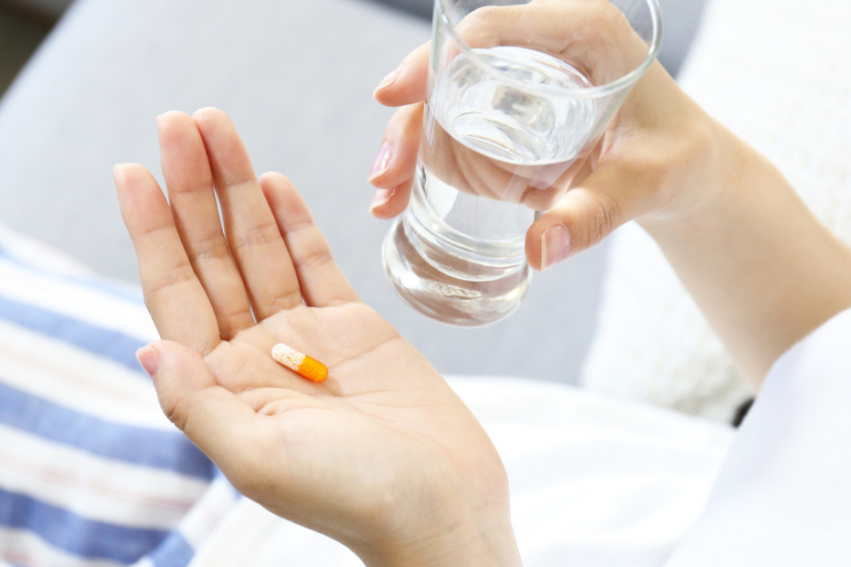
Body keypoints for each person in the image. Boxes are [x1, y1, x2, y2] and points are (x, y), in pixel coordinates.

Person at [114, 2, 851, 565]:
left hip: (322, 500)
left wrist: (443, 538)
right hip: (540, 471)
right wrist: (704, 176)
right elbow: (827, 384)